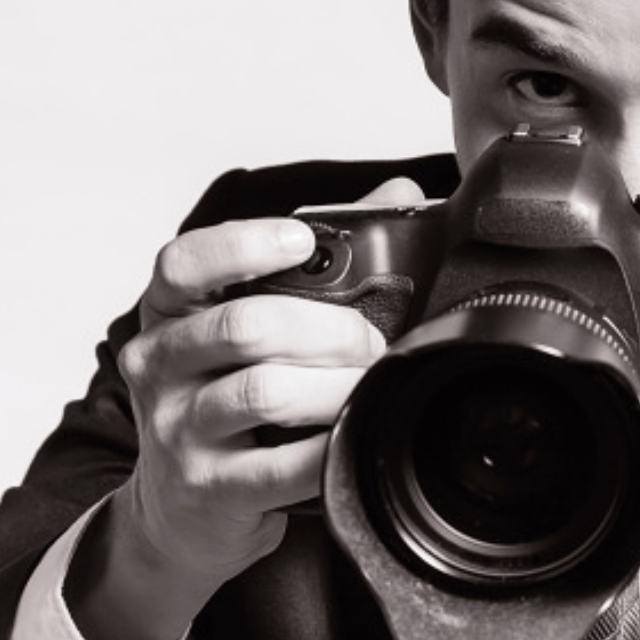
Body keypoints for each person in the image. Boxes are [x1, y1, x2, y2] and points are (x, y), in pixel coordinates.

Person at [2, 0, 640, 637]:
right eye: (546, 86)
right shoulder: (283, 258)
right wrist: (147, 553)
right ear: (433, 28)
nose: (629, 185)